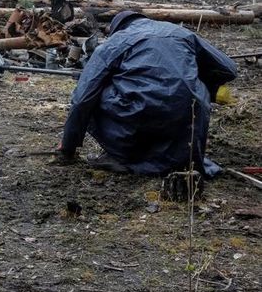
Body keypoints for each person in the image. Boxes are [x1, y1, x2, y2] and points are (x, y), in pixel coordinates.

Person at [58, 11, 238, 176]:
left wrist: (68, 147)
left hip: (140, 114)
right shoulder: (180, 32)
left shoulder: (116, 41)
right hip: (186, 117)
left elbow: (82, 99)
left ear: (116, 29)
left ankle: (123, 156)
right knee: (198, 90)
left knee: (94, 91)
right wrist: (198, 81)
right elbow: (229, 69)